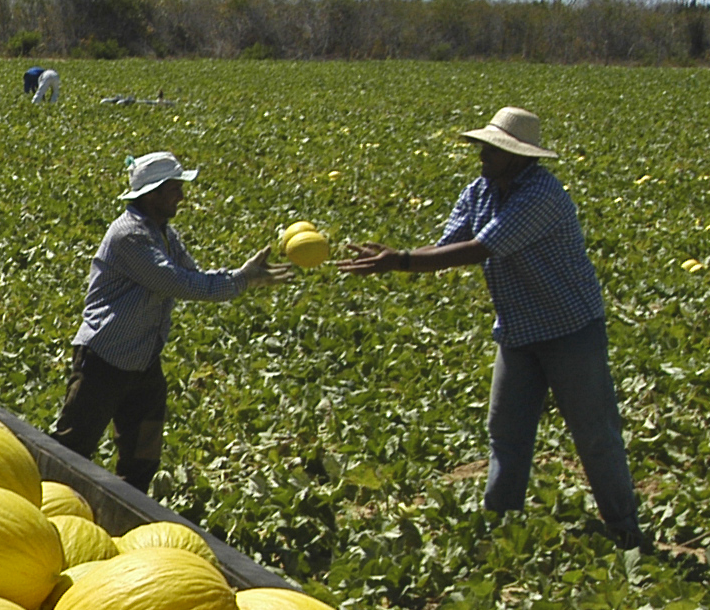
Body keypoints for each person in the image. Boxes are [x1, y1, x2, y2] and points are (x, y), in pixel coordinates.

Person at [336, 106, 645, 547]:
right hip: (517, 331)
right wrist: (398, 258)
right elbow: (448, 246)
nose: (482, 154)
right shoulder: (479, 191)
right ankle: (501, 529)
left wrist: (400, 261)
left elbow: (481, 248)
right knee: (506, 432)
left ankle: (624, 526)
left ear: (518, 156)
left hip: (569, 328)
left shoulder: (541, 195)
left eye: (492, 148)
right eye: (483, 146)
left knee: (595, 434)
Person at [51, 151, 289, 494]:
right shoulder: (130, 236)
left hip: (144, 362)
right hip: (105, 359)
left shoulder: (163, 233)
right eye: (175, 188)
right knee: (72, 449)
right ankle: (49, 506)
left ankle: (128, 510)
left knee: (143, 455)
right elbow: (178, 283)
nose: (182, 196)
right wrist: (241, 279)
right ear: (152, 194)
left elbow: (192, 275)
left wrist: (244, 278)